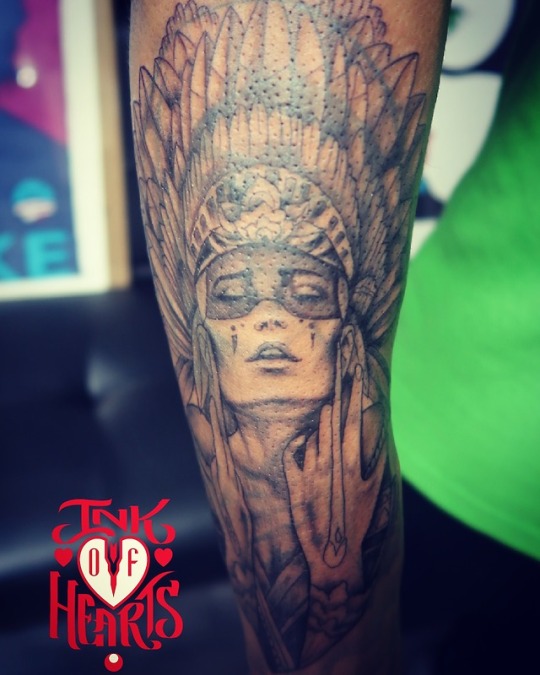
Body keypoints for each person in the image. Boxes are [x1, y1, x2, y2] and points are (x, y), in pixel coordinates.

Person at [130, 0, 449, 672]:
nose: (270, 319)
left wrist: (337, 582)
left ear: (346, 322)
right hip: (438, 450)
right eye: (234, 295)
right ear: (201, 322)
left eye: (305, 293)